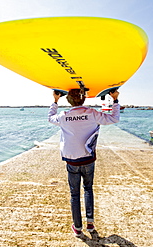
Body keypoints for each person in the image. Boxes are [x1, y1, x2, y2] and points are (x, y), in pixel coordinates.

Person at [48, 89, 120, 237]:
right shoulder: (92, 113)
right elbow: (114, 118)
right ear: (83, 99)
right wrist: (115, 100)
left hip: (72, 160)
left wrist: (55, 101)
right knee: (88, 189)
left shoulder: (64, 116)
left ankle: (78, 228)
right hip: (88, 159)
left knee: (74, 194)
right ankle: (90, 224)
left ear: (68, 100)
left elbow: (50, 117)